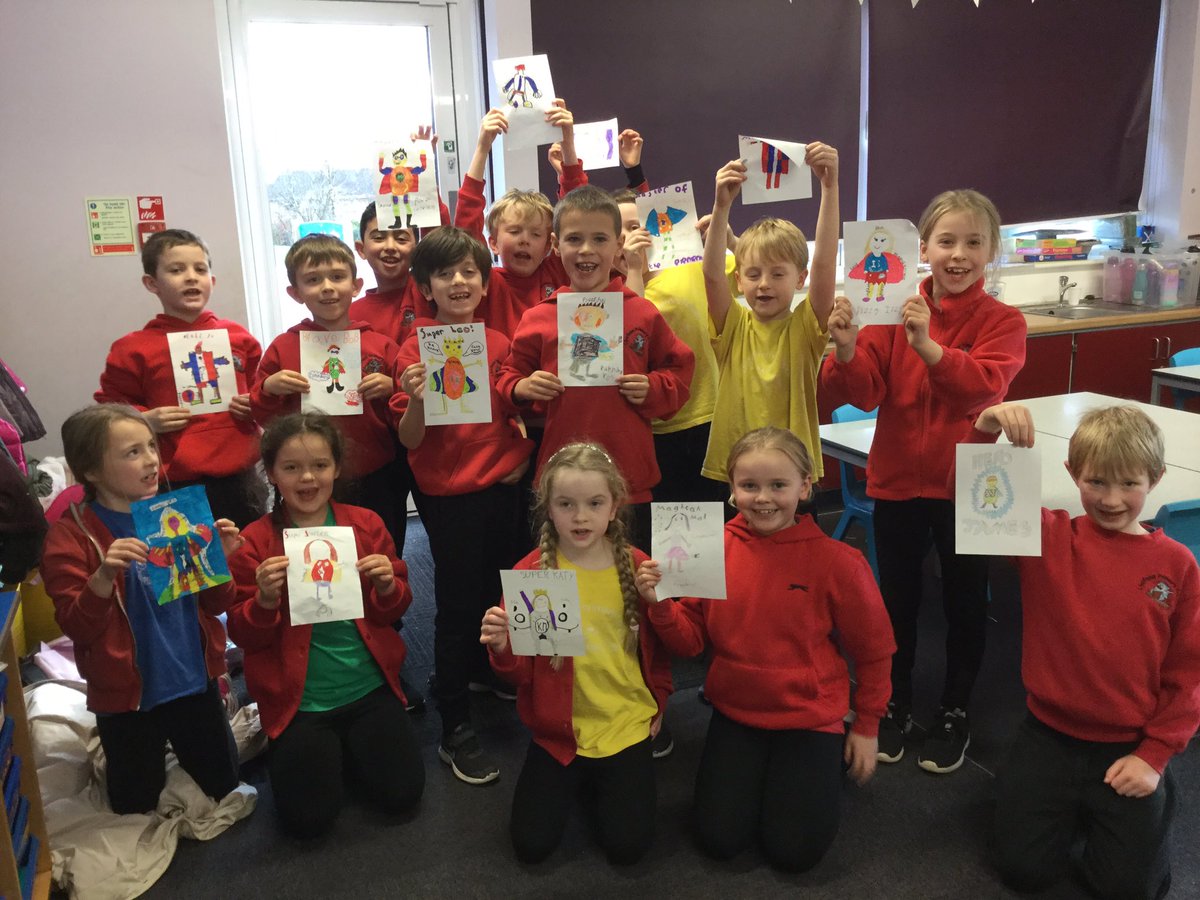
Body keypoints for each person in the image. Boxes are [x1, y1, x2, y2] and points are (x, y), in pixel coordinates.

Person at [819, 189, 1027, 773]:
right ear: (924, 248)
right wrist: (845, 349)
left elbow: (982, 389)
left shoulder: (1003, 321)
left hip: (968, 486)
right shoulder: (891, 307)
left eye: (973, 242)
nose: (958, 254)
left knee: (965, 602)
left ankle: (955, 709)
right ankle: (894, 701)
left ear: (991, 250)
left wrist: (929, 348)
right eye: (947, 241)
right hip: (897, 482)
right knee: (896, 602)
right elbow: (865, 393)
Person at [637, 426, 894, 871]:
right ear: (732, 488)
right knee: (719, 840)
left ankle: (819, 763)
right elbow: (690, 643)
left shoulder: (839, 564)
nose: (763, 498)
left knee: (794, 853)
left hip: (810, 715)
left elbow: (874, 652)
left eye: (778, 485)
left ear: (805, 486)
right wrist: (660, 605)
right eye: (749, 485)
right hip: (737, 709)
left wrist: (868, 726)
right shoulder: (709, 549)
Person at [972, 402, 1200, 900]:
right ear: (1072, 473)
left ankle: (1153, 796)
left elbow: (1188, 672)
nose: (1111, 499)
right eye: (1096, 482)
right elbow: (974, 504)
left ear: (1156, 478)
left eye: (1129, 484)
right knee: (1021, 870)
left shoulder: (1178, 565)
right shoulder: (1046, 538)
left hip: (1130, 742)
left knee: (1127, 889)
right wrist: (984, 432)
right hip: (1048, 735)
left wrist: (1155, 756)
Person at [226, 412, 424, 837]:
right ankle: (325, 751)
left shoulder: (366, 524)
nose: (307, 478)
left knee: (403, 795)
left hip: (367, 686)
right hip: (300, 701)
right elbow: (242, 635)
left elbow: (393, 611)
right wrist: (263, 601)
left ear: (336, 468)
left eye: (319, 465)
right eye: (291, 467)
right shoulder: (254, 542)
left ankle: (347, 749)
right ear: (271, 474)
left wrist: (388, 586)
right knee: (308, 821)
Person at [41, 404, 242, 814]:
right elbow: (77, 627)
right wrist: (102, 577)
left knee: (224, 788)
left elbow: (217, 604)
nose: (151, 460)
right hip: (126, 695)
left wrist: (218, 562)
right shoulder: (71, 537)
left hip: (192, 677)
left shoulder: (176, 516)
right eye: (132, 452)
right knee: (134, 805)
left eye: (151, 446)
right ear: (90, 471)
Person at [479, 443, 672, 864]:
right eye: (566, 504)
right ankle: (582, 780)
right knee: (531, 845)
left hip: (625, 724)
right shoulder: (533, 574)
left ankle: (602, 782)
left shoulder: (637, 567)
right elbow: (520, 677)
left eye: (594, 503)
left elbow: (665, 649)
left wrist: (660, 698)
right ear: (548, 508)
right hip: (560, 732)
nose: (580, 516)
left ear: (614, 506)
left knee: (629, 848)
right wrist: (502, 648)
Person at [392, 227, 534, 785]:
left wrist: (523, 456)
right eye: (445, 273)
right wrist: (418, 400)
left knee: (511, 589)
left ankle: (505, 677)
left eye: (469, 272)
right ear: (425, 287)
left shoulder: (498, 341)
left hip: (504, 488)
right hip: (451, 500)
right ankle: (454, 723)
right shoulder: (414, 349)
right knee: (456, 606)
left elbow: (512, 411)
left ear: (484, 282)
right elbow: (408, 440)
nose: (458, 281)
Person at [495, 185, 695, 549]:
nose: (586, 249)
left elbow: (679, 371)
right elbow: (508, 377)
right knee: (565, 572)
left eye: (599, 239)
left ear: (618, 245)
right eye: (574, 239)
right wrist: (523, 388)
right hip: (562, 481)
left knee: (631, 571)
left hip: (629, 478)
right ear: (556, 245)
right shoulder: (539, 317)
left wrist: (653, 387)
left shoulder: (642, 313)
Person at [96, 229, 264, 526]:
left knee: (247, 550)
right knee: (183, 556)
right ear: (152, 283)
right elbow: (109, 410)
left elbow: (259, 391)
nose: (191, 277)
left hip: (241, 477)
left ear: (212, 281)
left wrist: (255, 404)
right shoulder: (132, 349)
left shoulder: (239, 338)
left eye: (200, 269)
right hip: (172, 483)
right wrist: (145, 420)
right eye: (176, 270)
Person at [699, 143, 840, 488]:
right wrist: (721, 206)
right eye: (753, 274)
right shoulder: (734, 326)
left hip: (791, 473)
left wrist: (830, 187)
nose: (764, 284)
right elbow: (712, 275)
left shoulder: (806, 328)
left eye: (778, 274)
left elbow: (824, 264)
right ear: (739, 280)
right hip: (738, 472)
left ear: (800, 279)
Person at [250, 233, 402, 546]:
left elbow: (404, 414)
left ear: (356, 286)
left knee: (381, 547)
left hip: (375, 471)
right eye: (313, 280)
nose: (327, 287)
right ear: (295, 293)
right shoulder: (283, 347)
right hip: (308, 476)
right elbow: (262, 416)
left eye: (337, 277)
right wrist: (268, 388)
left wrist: (392, 388)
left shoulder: (381, 345)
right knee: (313, 550)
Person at [454, 103, 587, 339]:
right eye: (515, 231)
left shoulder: (557, 272)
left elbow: (579, 218)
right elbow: (466, 230)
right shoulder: (484, 282)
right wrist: (482, 148)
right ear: (493, 243)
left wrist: (568, 144)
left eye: (536, 234)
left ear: (549, 245)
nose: (525, 240)